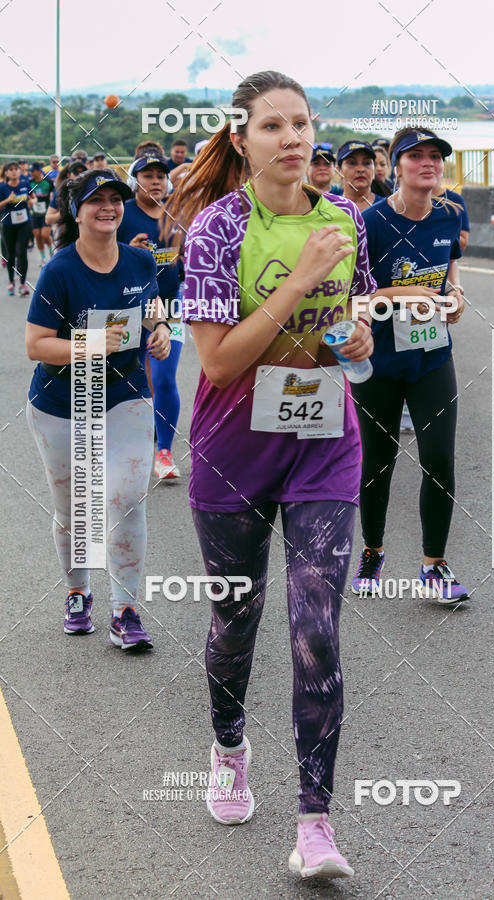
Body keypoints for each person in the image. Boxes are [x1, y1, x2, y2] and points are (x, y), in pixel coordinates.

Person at [167, 69, 375, 880]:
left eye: (303, 123)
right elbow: (217, 364)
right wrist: (297, 280)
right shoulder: (217, 230)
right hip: (233, 447)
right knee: (236, 622)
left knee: (317, 631)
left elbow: (348, 320)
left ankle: (316, 824)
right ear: (241, 140)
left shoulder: (345, 218)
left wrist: (355, 338)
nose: (294, 138)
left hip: (324, 436)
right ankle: (228, 747)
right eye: (273, 126)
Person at [25, 169, 171, 650]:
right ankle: (78, 592)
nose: (108, 207)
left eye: (116, 199)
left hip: (125, 395)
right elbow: (36, 345)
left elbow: (151, 311)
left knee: (127, 498)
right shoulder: (60, 270)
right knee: (75, 509)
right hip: (61, 404)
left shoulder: (140, 262)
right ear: (76, 210)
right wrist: (89, 343)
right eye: (96, 201)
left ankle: (125, 609)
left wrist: (160, 330)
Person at [350, 127, 469, 603]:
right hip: (378, 358)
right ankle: (373, 551)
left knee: (439, 457)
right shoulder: (370, 221)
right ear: (393, 166)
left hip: (432, 355)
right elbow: (354, 294)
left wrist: (456, 295)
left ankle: (433, 565)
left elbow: (451, 269)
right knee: (378, 463)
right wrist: (408, 293)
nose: (429, 163)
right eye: (416, 156)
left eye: (436, 156)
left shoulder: (449, 215)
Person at [117, 152, 184, 479]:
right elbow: (102, 257)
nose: (155, 181)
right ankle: (129, 442)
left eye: (160, 175)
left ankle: (163, 451)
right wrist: (128, 249)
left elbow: (190, 262)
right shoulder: (121, 213)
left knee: (163, 376)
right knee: (128, 379)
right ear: (135, 181)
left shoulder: (178, 212)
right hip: (127, 306)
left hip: (171, 307)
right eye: (147, 176)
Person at [0, 161, 32, 295]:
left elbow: (31, 199)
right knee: (10, 254)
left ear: (19, 171)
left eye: (16, 169)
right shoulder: (2, 187)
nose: (13, 171)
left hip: (24, 223)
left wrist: (31, 202)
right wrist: (8, 200)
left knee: (22, 252)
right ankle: (11, 281)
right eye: (10, 169)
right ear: (6, 172)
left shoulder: (25, 184)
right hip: (8, 224)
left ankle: (23, 284)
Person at [336, 140, 378, 212]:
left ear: (374, 170)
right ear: (339, 171)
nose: (360, 169)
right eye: (352, 163)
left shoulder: (388, 208)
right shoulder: (328, 209)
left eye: (367, 163)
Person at [28, 162, 53, 263]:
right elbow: (27, 195)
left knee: (45, 235)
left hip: (46, 213)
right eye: (30, 172)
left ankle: (51, 251)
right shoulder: (30, 183)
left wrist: (52, 197)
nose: (31, 173)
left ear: (39, 171)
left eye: (33, 171)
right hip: (34, 214)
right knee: (37, 236)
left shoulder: (48, 182)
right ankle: (43, 258)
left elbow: (54, 193)